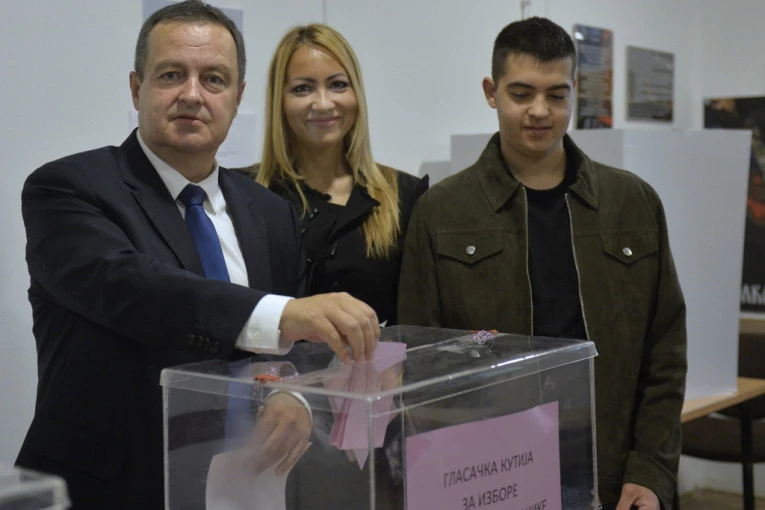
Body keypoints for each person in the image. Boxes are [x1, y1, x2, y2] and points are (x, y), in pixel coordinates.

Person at [15, 2, 379, 508]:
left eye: (213, 79)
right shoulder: (68, 188)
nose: (192, 94)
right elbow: (134, 287)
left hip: (243, 487)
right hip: (108, 490)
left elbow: (293, 351)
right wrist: (282, 314)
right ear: (136, 88)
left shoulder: (270, 212)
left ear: (237, 96)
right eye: (171, 75)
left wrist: (292, 393)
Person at [398, 17, 687, 510]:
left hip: (613, 468)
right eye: (521, 93)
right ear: (491, 92)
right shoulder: (441, 212)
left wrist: (652, 469)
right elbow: (420, 360)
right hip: (491, 472)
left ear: (574, 92)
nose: (539, 110)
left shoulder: (633, 203)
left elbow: (665, 350)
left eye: (556, 95)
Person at [238, 23, 427, 326]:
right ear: (280, 101)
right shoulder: (243, 194)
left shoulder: (405, 196)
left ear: (356, 94)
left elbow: (417, 318)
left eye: (338, 85)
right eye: (303, 88)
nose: (324, 103)